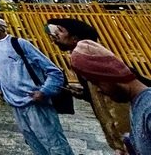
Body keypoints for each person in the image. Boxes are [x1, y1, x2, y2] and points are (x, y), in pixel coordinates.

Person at [0, 10, 75, 155]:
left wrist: (44, 91)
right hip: (15, 103)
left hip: (35, 102)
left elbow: (54, 71)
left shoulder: (18, 44)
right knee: (34, 143)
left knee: (54, 144)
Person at [46, 18, 131, 152]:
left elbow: (118, 103)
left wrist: (126, 142)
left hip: (128, 135)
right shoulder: (85, 62)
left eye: (60, 31)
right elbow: (99, 94)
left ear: (75, 39)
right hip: (117, 136)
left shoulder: (92, 62)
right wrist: (85, 93)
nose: (55, 36)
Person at [70, 40, 150, 155]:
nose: (98, 90)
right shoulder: (136, 103)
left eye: (98, 83)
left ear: (111, 77)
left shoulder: (148, 109)